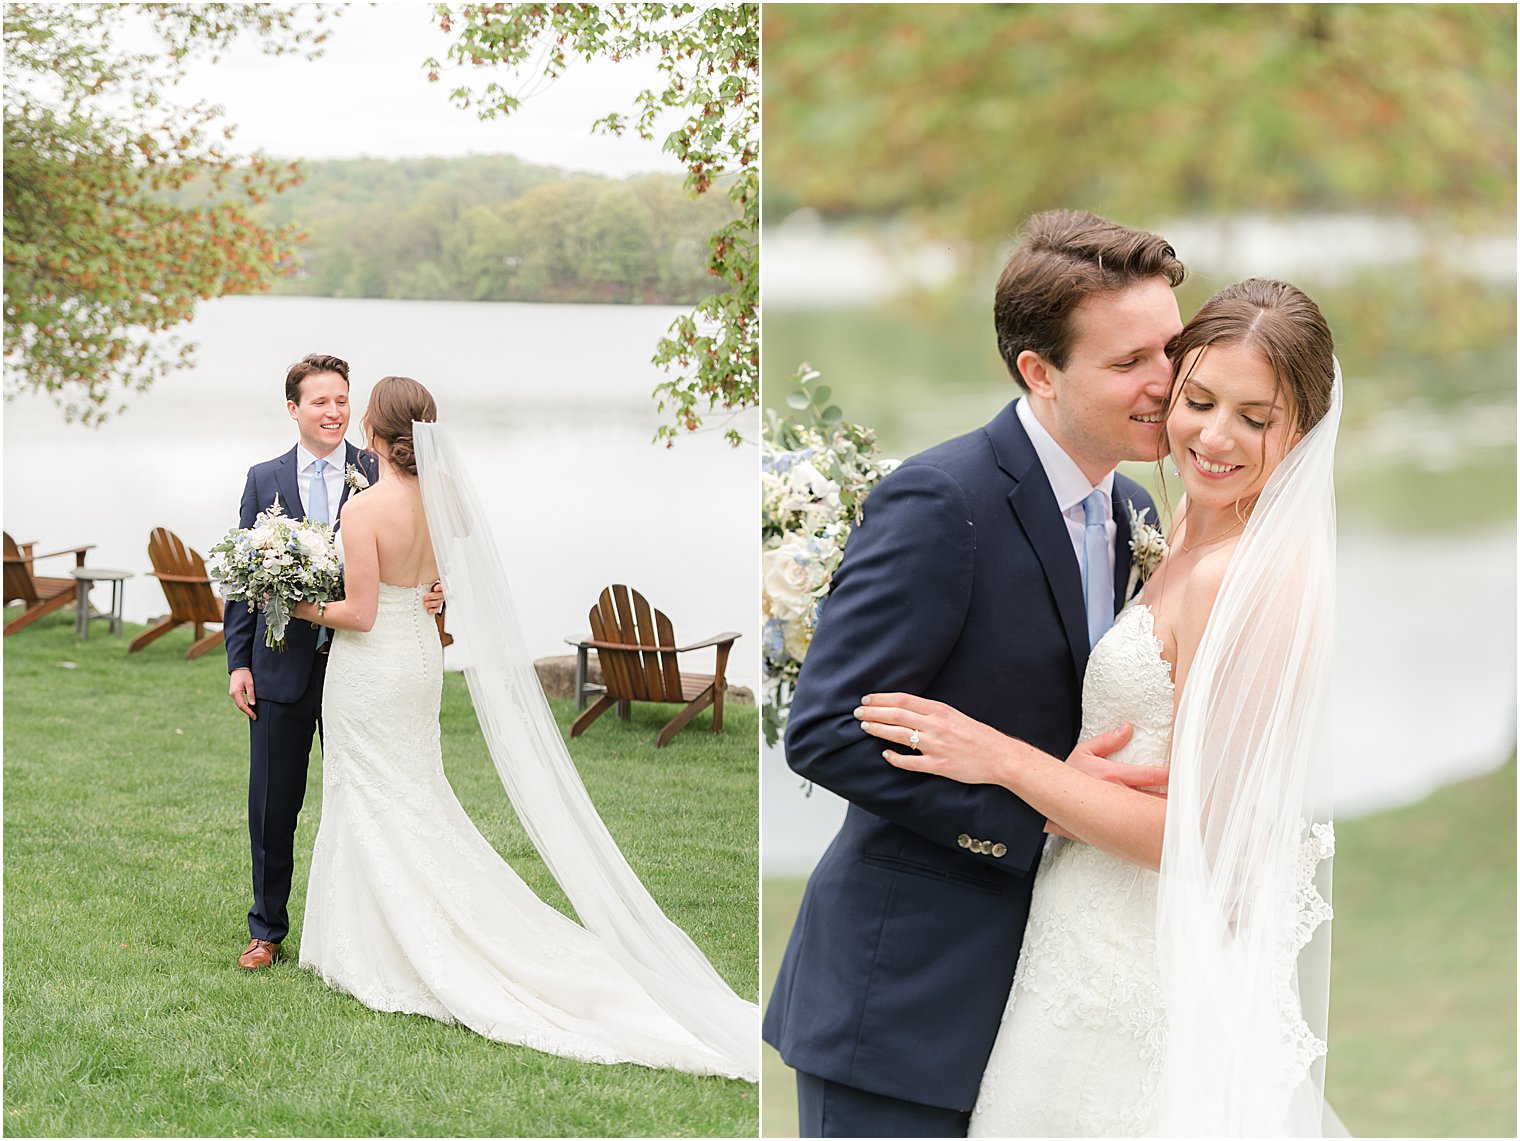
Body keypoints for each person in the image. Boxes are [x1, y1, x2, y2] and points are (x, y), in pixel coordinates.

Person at [856, 279, 1341, 1136]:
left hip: (1144, 972)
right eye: (1197, 400)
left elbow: (1206, 845)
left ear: (1299, 431)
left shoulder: (1254, 581)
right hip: (1074, 939)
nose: (1215, 436)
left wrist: (1006, 760)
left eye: (1255, 419)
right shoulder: (1180, 518)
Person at [763, 210, 1187, 1137]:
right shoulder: (941, 500)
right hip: (904, 1001)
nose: (1168, 384)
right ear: (1039, 371)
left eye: (1172, 348)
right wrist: (1036, 811)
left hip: (1052, 1005)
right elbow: (827, 728)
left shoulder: (1133, 507)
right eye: (1129, 363)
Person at [289, 375, 757, 1081]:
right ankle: (381, 929)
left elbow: (357, 612)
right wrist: (430, 591)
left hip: (372, 666)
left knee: (371, 789)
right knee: (412, 788)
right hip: (419, 658)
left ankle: (378, 945)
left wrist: (297, 607)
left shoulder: (363, 509)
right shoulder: (447, 505)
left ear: (378, 438)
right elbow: (438, 583)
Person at [224, 353, 442, 971]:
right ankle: (266, 929)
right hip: (280, 666)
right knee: (273, 804)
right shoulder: (263, 478)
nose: (334, 412)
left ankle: (379, 923)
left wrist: (435, 588)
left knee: (368, 795)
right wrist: (238, 661)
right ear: (293, 409)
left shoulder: (385, 471)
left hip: (361, 664)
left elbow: (420, 551)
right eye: (321, 401)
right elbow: (243, 580)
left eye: (343, 400)